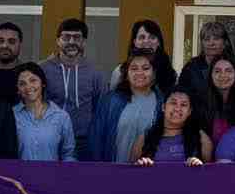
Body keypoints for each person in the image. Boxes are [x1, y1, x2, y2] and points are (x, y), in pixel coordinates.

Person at [40, 17, 107, 160]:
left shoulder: (95, 73)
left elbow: (100, 109)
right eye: (66, 37)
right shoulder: (42, 69)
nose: (71, 42)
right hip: (50, 137)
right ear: (58, 40)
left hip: (84, 142)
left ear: (84, 42)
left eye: (77, 37)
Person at [89, 49, 165, 163]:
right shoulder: (110, 101)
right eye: (134, 68)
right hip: (113, 173)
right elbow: (95, 140)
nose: (139, 72)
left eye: (145, 68)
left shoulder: (162, 103)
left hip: (149, 173)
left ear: (154, 73)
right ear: (126, 73)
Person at [13, 61, 76, 162]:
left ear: (43, 83)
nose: (28, 86)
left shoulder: (61, 116)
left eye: (33, 80)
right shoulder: (11, 116)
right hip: (20, 176)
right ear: (18, 89)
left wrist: (66, 176)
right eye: (22, 83)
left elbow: (68, 154)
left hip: (53, 176)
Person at [133, 89, 212, 165]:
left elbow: (210, 173)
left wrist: (199, 165)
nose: (177, 108)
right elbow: (131, 172)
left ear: (189, 111)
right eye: (173, 103)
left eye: (183, 105)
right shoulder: (146, 137)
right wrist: (141, 164)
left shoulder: (200, 137)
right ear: (163, 107)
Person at [110, 20, 178, 95]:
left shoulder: (171, 74)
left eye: (152, 37)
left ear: (159, 42)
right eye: (142, 37)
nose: (147, 41)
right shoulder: (119, 72)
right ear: (135, 42)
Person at [177, 21, 235, 93]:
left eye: (216, 39)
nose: (211, 43)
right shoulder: (191, 67)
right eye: (207, 39)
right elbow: (182, 94)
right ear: (202, 43)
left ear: (225, 42)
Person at [202, 56, 235, 146]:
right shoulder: (201, 104)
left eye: (228, 71)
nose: (223, 75)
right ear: (210, 75)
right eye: (217, 71)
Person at [0, 21, 26, 103]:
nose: (5, 45)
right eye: (0, 41)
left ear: (20, 44)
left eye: (11, 41)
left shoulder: (28, 74)